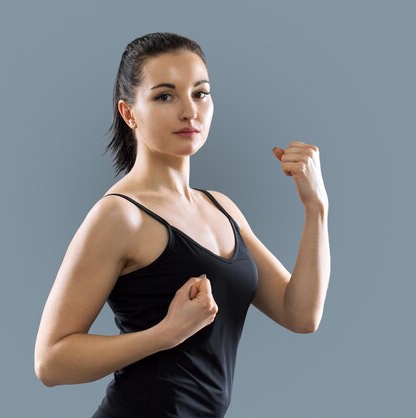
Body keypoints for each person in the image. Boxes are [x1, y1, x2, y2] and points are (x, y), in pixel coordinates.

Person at [34, 32, 331, 418]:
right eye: (164, 96)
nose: (189, 111)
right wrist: (165, 334)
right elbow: (51, 361)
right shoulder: (119, 216)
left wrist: (316, 207)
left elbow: (300, 314)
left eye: (200, 93)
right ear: (129, 113)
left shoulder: (222, 208)